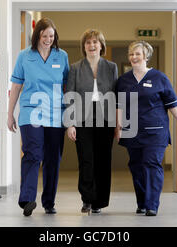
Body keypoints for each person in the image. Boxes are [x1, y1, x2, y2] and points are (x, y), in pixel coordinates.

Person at [115, 41, 177, 216]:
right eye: (131, 54)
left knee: (152, 164)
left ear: (146, 56)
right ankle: (142, 202)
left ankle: (152, 205)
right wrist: (117, 126)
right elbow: (119, 105)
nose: (134, 57)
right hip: (131, 130)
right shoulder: (123, 80)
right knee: (136, 166)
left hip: (156, 131)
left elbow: (172, 103)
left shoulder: (159, 78)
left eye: (137, 54)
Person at [7, 18, 69, 216]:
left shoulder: (62, 56)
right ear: (37, 36)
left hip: (56, 114)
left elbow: (68, 87)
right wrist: (10, 114)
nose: (48, 40)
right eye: (44, 36)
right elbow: (16, 86)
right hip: (31, 111)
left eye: (51, 36)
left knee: (53, 158)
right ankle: (27, 199)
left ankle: (49, 202)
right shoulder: (24, 56)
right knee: (33, 153)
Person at [65, 29, 118, 214]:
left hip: (106, 120)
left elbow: (116, 97)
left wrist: (118, 125)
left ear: (101, 45)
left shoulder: (111, 67)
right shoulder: (75, 68)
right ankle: (87, 199)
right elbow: (70, 95)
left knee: (103, 161)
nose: (92, 45)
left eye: (96, 42)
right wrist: (70, 123)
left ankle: (99, 202)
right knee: (86, 160)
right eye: (88, 42)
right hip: (82, 120)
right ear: (84, 46)